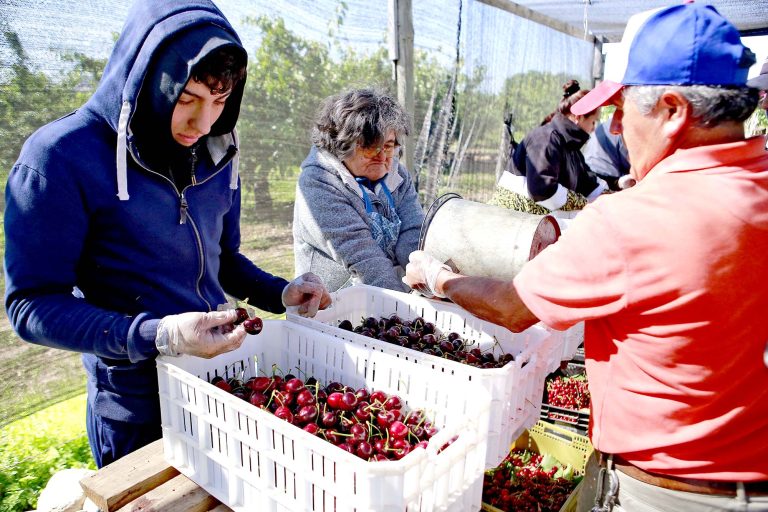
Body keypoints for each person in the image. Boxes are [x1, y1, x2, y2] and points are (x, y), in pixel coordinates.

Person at [405, 4, 768, 511]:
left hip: (669, 493)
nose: (614, 128)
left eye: (622, 109)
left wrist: (439, 278)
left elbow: (513, 308)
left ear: (671, 110)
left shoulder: (632, 220)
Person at [4, 0, 330, 468]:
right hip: (135, 407)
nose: (204, 123)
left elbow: (224, 259)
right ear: (147, 80)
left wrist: (280, 293)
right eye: (187, 99)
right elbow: (31, 304)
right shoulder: (60, 158)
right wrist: (160, 335)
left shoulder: (217, 152)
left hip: (216, 385)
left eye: (220, 102)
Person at [292, 88, 424, 292]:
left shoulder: (398, 176)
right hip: (332, 302)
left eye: (388, 146)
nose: (382, 157)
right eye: (370, 147)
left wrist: (428, 284)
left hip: (389, 296)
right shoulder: (318, 182)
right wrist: (403, 306)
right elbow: (363, 258)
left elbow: (413, 234)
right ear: (342, 144)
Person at [489, 80, 606, 216]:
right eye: (593, 122)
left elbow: (588, 184)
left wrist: (614, 193)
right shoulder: (546, 139)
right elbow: (541, 189)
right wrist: (583, 202)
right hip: (507, 220)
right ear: (578, 117)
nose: (593, 128)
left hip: (532, 223)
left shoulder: (571, 149)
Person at [583, 114, 635, 191]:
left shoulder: (612, 124)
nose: (592, 128)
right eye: (593, 122)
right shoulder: (628, 126)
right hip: (606, 176)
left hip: (594, 172)